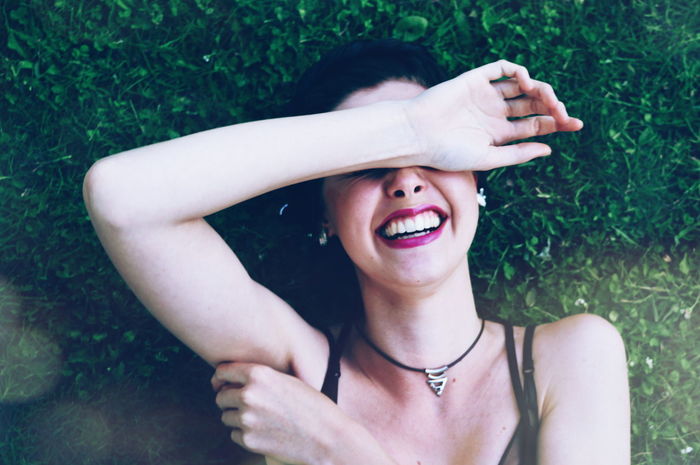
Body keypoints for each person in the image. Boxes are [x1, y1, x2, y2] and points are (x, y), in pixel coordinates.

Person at [83, 39, 630, 465]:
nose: (406, 183)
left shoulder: (569, 358)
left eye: (434, 157)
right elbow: (123, 198)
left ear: (477, 183)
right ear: (324, 216)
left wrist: (339, 449)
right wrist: (409, 127)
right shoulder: (297, 369)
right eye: (371, 165)